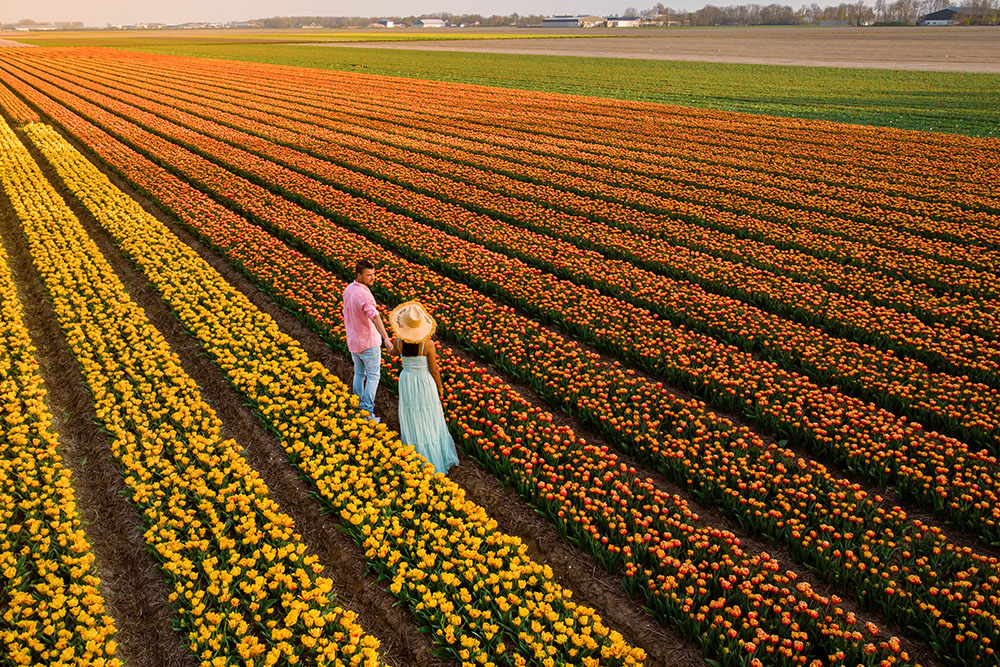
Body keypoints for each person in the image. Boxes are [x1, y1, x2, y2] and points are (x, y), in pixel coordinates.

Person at [388, 301, 458, 475]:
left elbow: (392, 353)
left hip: (407, 381)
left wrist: (391, 340)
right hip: (424, 382)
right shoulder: (428, 345)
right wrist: (440, 387)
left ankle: (416, 454)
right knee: (429, 415)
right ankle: (434, 455)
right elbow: (434, 369)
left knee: (412, 415)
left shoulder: (400, 342)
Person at [343, 260, 393, 422]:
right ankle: (367, 413)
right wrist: (386, 338)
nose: (373, 278)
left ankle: (357, 406)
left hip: (354, 341)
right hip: (368, 342)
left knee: (359, 373)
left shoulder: (349, 289)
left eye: (374, 274)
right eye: (369, 275)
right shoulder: (364, 295)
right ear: (359, 275)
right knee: (373, 376)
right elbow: (375, 316)